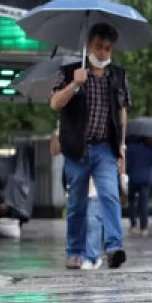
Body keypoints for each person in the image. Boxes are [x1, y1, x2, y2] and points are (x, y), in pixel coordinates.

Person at [51, 23, 132, 271]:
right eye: (99, 47)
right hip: (77, 149)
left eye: (108, 48)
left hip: (105, 148)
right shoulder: (69, 71)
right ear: (88, 46)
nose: (104, 52)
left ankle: (114, 247)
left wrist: (122, 147)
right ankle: (74, 251)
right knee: (77, 203)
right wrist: (74, 85)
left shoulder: (118, 75)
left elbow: (122, 112)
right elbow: (55, 103)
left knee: (109, 194)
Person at [126, 136, 152, 237]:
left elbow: (127, 164)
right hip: (146, 179)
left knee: (131, 201)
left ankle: (133, 224)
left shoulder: (131, 148)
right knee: (144, 202)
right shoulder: (150, 148)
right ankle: (144, 227)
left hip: (133, 178)